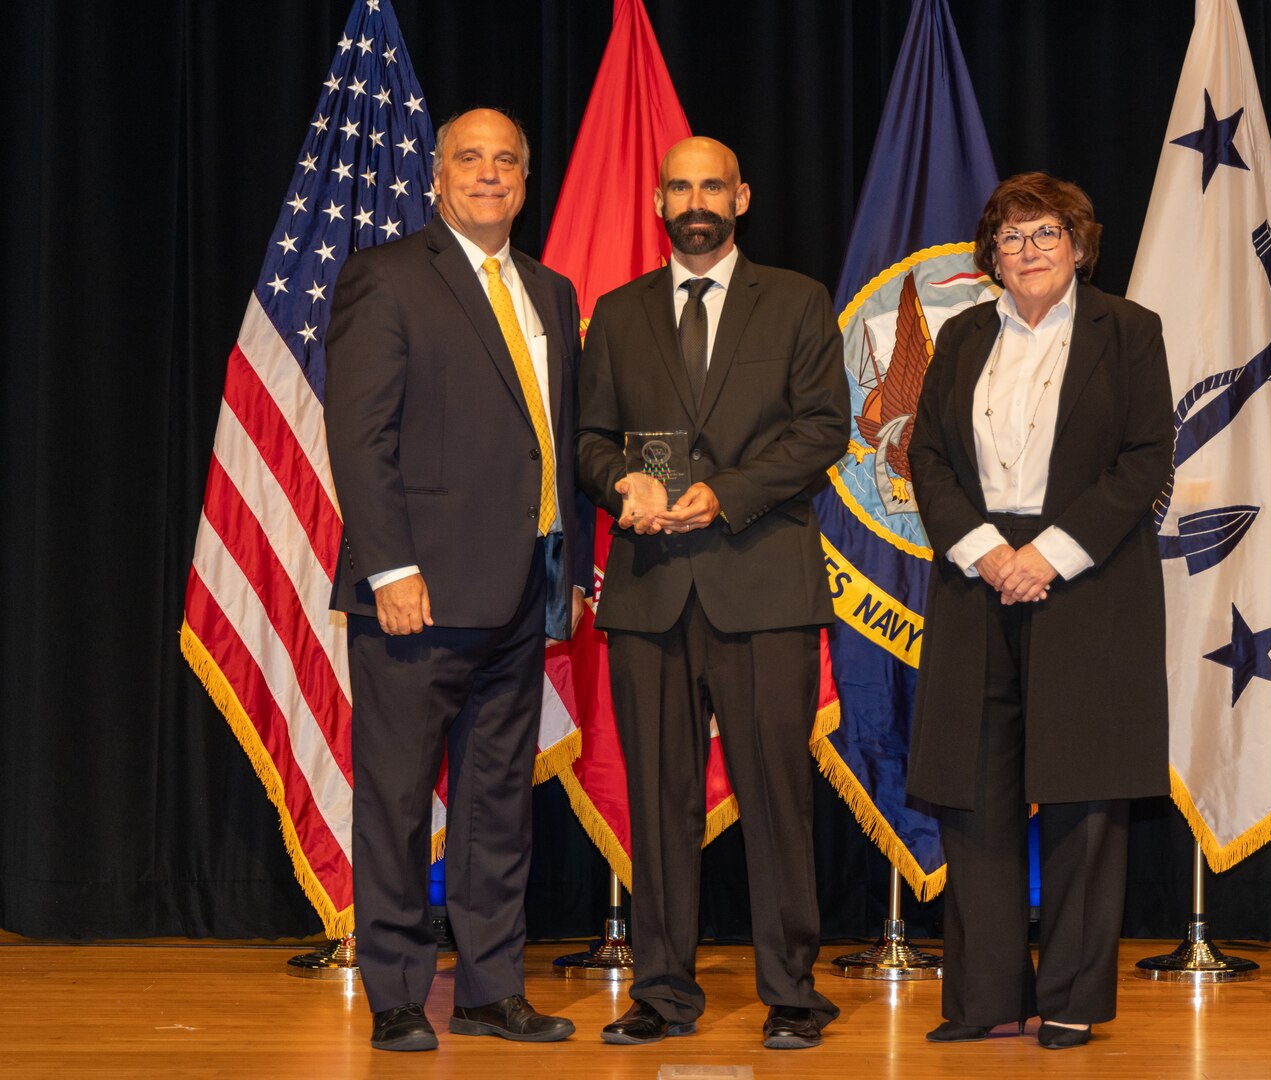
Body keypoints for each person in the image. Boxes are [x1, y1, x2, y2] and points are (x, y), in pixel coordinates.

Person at [325, 108, 592, 1052]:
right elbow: (360, 438)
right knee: (397, 800)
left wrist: (573, 568)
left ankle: (489, 991)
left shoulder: (552, 292)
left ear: (526, 179)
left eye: (506, 161)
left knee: (495, 804)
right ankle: (397, 991)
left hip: (524, 587)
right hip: (418, 593)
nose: (489, 174)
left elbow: (548, 441)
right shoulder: (386, 276)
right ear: (436, 175)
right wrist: (391, 566)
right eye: (469, 159)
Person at [576, 136, 849, 1050]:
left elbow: (823, 430)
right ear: (658, 202)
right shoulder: (615, 314)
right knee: (658, 803)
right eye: (679, 185)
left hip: (762, 585)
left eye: (712, 185)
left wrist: (724, 495)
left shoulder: (799, 301)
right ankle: (661, 995)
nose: (696, 199)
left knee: (777, 797)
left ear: (741, 197)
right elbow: (587, 439)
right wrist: (624, 484)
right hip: (649, 593)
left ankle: (793, 996)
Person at [905, 172, 1173, 1050]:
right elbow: (928, 459)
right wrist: (985, 551)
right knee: (973, 793)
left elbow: (1142, 461)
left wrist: (1047, 556)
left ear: (1079, 244)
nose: (1027, 251)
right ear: (990, 256)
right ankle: (983, 998)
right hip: (975, 575)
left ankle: (1069, 999)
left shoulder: (1128, 331)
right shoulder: (960, 333)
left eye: (1045, 233)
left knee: (1083, 796)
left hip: (1086, 582)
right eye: (1010, 237)